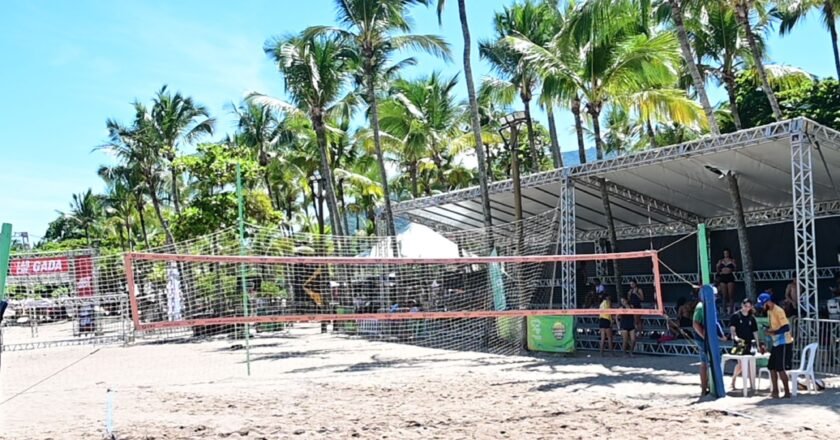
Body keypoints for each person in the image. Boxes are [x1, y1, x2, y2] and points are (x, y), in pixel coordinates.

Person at [756, 292, 794, 399]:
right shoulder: (769, 312)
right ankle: (775, 391)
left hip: (784, 343)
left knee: (780, 368)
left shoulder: (778, 311)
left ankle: (787, 392)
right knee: (771, 367)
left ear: (768, 302)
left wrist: (773, 333)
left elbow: (786, 327)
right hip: (776, 342)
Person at [693, 290, 726, 397]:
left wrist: (721, 336)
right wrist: (704, 337)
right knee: (704, 363)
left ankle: (709, 386)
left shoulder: (709, 306)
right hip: (702, 339)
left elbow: (715, 322)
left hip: (708, 338)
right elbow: (695, 324)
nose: (716, 297)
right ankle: (703, 388)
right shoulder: (701, 306)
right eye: (715, 295)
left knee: (709, 361)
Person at [728, 298, 760, 390]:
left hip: (751, 343)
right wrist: (735, 337)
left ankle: (751, 384)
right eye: (746, 306)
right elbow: (732, 329)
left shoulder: (752, 318)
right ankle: (733, 380)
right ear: (742, 305)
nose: (747, 308)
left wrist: (757, 344)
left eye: (749, 307)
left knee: (751, 363)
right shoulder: (736, 316)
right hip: (740, 343)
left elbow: (755, 332)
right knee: (741, 364)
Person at [716, 249, 737, 314]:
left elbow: (735, 270)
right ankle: (724, 310)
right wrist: (717, 266)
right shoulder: (721, 260)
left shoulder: (732, 260)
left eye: (727, 253)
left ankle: (731, 310)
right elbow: (718, 271)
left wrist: (734, 265)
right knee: (724, 295)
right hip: (723, 276)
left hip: (729, 276)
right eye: (725, 253)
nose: (726, 254)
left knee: (731, 295)